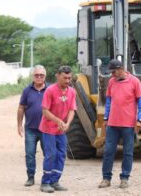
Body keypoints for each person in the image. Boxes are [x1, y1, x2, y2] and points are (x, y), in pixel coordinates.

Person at [98, 59, 141, 189]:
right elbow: (108, 101)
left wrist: (140, 120)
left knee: (128, 152)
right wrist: (106, 118)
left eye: (113, 71)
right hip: (112, 124)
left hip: (129, 125)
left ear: (121, 69)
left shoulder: (135, 82)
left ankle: (124, 178)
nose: (112, 74)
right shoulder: (111, 82)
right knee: (108, 151)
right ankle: (106, 178)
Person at [39, 65, 77, 193]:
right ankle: (45, 182)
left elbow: (72, 110)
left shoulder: (72, 91)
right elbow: (45, 111)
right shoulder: (50, 90)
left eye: (69, 78)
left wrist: (68, 123)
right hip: (48, 128)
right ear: (57, 76)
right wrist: (58, 120)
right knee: (51, 154)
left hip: (61, 130)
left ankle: (55, 181)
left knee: (61, 154)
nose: (67, 81)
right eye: (65, 78)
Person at [17, 65, 48, 187]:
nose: (39, 77)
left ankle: (47, 177)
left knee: (48, 154)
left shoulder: (50, 90)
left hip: (46, 129)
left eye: (41, 75)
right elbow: (21, 108)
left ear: (45, 76)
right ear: (33, 76)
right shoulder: (27, 90)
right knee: (30, 154)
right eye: (36, 75)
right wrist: (19, 125)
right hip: (30, 129)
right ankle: (30, 177)